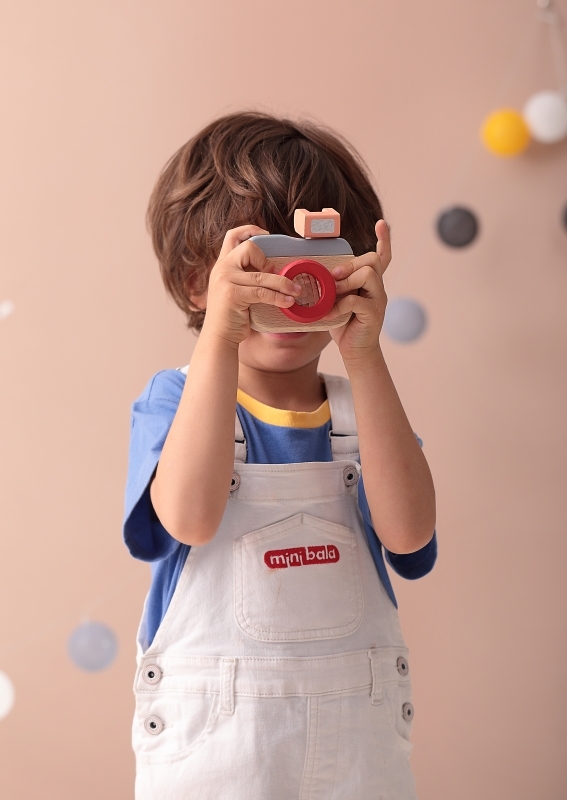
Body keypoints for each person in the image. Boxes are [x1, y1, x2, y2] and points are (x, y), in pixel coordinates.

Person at [124, 111, 437, 800]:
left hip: (358, 759)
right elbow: (191, 519)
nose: (291, 292)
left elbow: (409, 534)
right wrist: (221, 335)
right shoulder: (173, 401)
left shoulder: (360, 412)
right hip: (217, 758)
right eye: (262, 268)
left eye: (312, 269)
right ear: (196, 282)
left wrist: (364, 354)